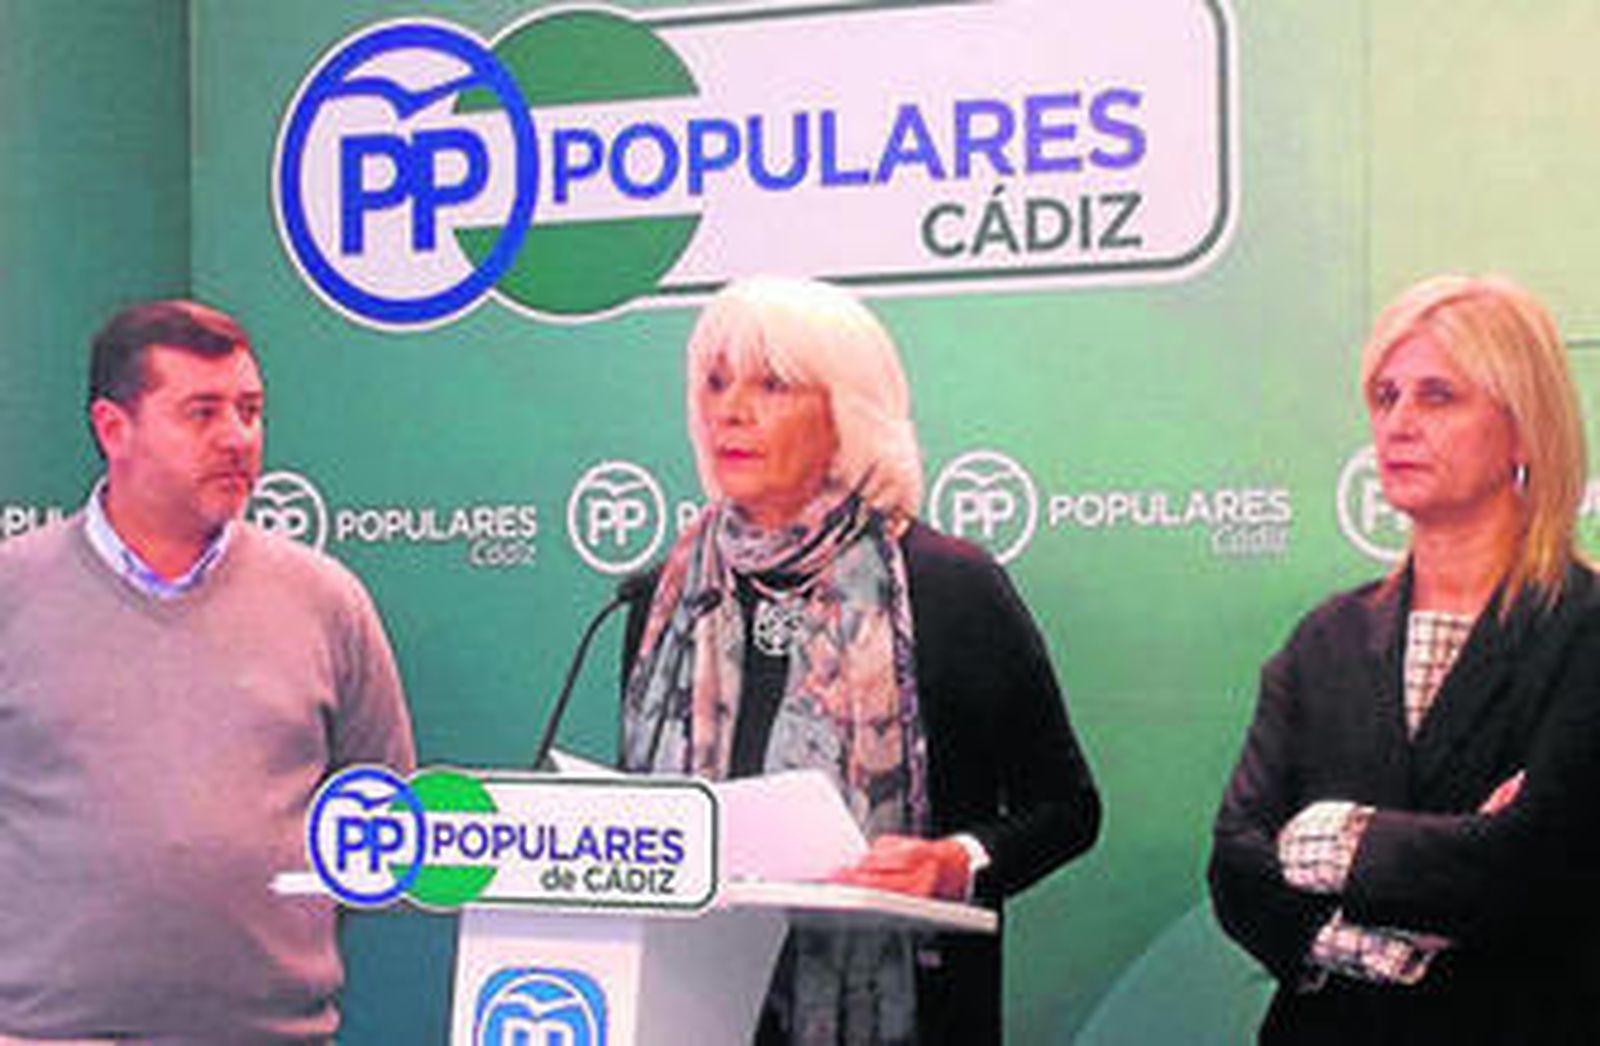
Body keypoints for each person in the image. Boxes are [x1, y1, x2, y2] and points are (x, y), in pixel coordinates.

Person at [619, 276, 1100, 1045]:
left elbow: (1067, 809)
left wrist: (956, 861)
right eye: (714, 382)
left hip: (907, 1015)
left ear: (846, 413)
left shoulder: (946, 584)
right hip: (685, 1005)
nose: (729, 410)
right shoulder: (665, 597)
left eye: (771, 384)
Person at [0, 300, 416, 1043]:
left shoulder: (327, 601)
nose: (237, 438)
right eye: (202, 412)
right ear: (112, 429)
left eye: (250, 410)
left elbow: (379, 814)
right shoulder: (12, 594)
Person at [1209, 274, 1600, 1044]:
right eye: (1386, 396)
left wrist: (1333, 836)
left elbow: (1536, 862)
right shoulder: (1325, 638)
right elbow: (1236, 865)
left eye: (1438, 397)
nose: (1399, 424)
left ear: (1524, 429)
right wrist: (1368, 942)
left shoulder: (1584, 631)